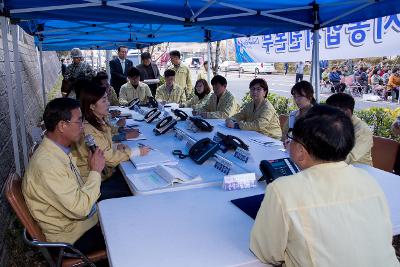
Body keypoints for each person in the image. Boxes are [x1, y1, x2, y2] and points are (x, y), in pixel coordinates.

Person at [250, 105, 399, 267]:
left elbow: (267, 253)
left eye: (292, 137)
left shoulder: (283, 190)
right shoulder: (369, 182)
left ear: (300, 151)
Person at [22, 98, 106, 254]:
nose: (82, 127)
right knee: (129, 232)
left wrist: (91, 169)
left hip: (79, 225)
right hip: (71, 238)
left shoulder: (57, 150)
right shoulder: (47, 165)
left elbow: (73, 191)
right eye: (79, 121)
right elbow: (81, 209)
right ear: (62, 125)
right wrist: (95, 171)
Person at [73, 84, 150, 200]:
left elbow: (104, 144)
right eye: (104, 101)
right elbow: (108, 159)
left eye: (107, 99)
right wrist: (137, 151)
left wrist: (116, 145)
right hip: (93, 184)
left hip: (103, 175)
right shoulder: (88, 129)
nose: (108, 103)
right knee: (139, 188)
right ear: (92, 106)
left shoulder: (98, 121)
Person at [326, 93, 372, 165]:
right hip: (337, 166)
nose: (329, 115)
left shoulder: (362, 130)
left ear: (347, 112)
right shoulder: (334, 124)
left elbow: (351, 157)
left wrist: (323, 161)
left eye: (332, 112)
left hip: (360, 168)